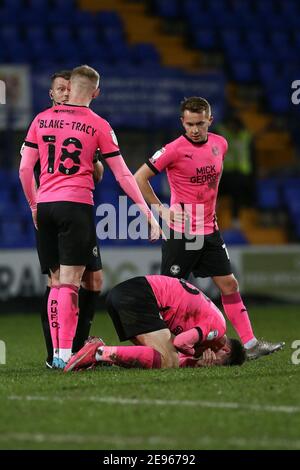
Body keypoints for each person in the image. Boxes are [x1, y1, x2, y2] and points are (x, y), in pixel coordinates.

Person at [19, 64, 160, 369]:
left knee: (56, 282)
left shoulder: (41, 119)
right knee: (70, 284)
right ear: (96, 92)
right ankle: (67, 354)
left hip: (45, 205)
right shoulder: (98, 124)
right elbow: (122, 174)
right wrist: (147, 213)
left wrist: (33, 206)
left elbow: (23, 170)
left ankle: (57, 355)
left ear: (68, 88)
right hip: (75, 205)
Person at [134, 96, 284, 360]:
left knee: (229, 284)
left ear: (209, 121)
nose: (194, 129)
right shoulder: (173, 149)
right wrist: (160, 209)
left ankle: (249, 345)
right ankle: (167, 351)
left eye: (200, 123)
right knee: (171, 295)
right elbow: (139, 177)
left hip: (210, 229)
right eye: (190, 124)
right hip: (181, 232)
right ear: (182, 122)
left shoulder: (220, 144)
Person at [35, 70, 104, 369]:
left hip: (80, 209)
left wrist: (94, 160)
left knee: (94, 281)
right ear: (51, 94)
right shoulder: (43, 123)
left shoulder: (86, 126)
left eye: (68, 89)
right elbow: (29, 168)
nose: (65, 93)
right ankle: (56, 353)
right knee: (59, 283)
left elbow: (98, 175)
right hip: (59, 208)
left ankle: (77, 346)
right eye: (60, 89)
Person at [65, 275, 247, 372]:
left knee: (157, 358)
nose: (214, 362)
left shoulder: (210, 330)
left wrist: (194, 361)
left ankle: (100, 355)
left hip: (129, 294)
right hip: (140, 296)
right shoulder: (217, 327)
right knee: (169, 360)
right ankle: (97, 352)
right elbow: (180, 342)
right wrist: (195, 356)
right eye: (219, 363)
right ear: (226, 350)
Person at [217, 113, 255, 228]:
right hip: (224, 172)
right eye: (230, 125)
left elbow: (252, 155)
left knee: (237, 196)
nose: (232, 127)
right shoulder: (222, 133)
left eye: (234, 125)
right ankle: (210, 218)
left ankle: (235, 220)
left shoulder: (246, 136)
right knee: (214, 194)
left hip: (240, 173)